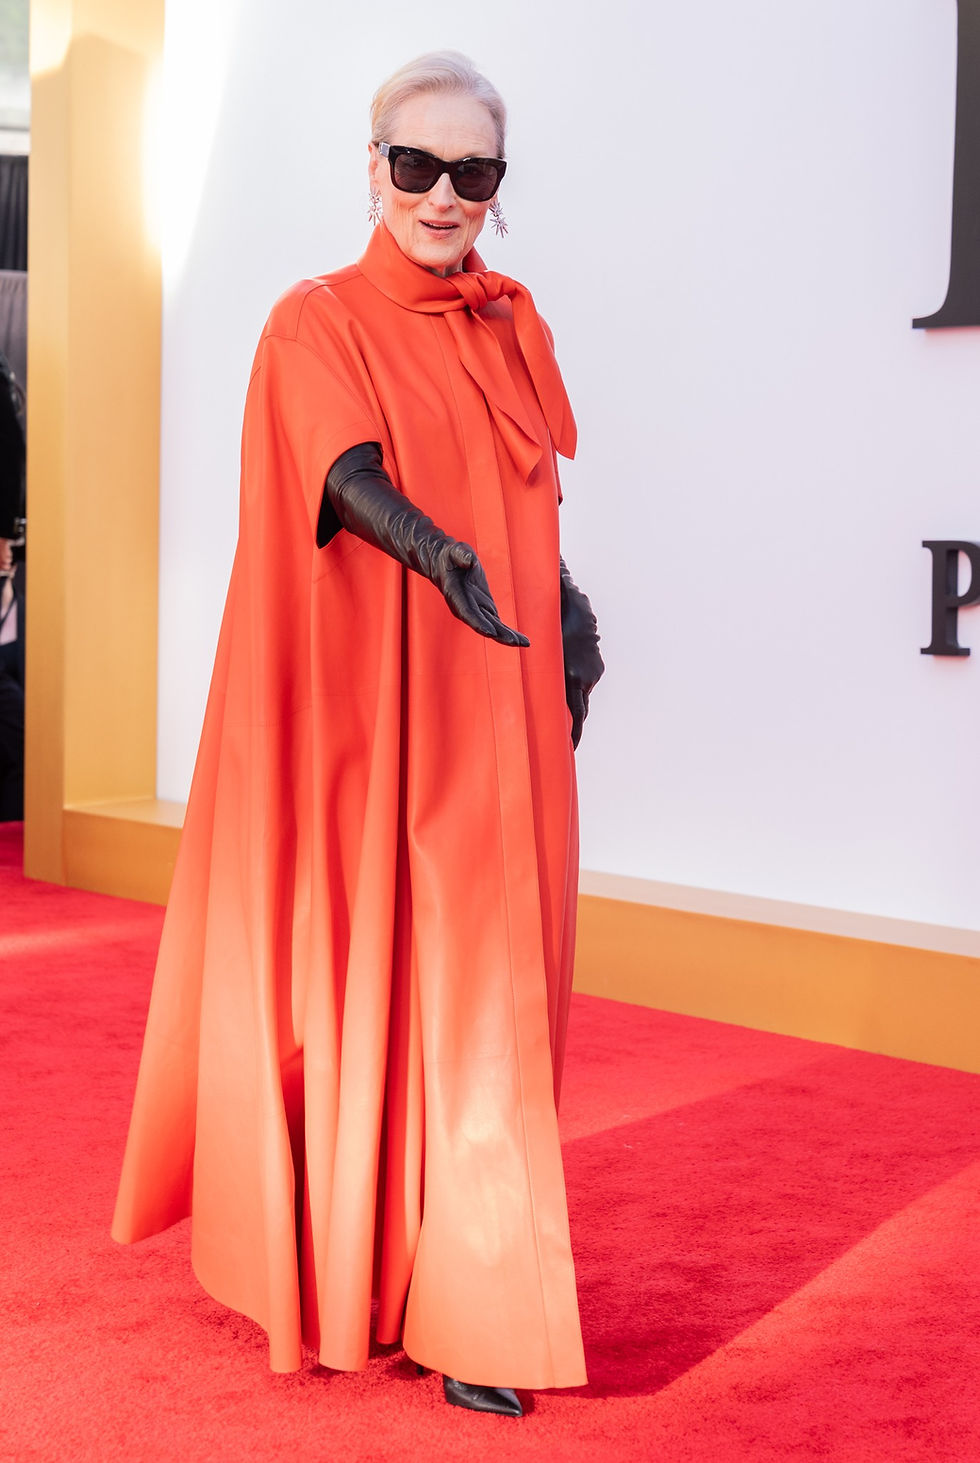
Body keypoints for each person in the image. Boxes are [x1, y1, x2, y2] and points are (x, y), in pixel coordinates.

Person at [112, 51, 604, 1418]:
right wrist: (430, 548)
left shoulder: (515, 324)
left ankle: (477, 1297)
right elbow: (339, 469)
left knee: (504, 1004)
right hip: (387, 733)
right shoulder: (312, 319)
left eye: (475, 174)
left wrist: (568, 614)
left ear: (499, 191)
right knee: (407, 988)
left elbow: (530, 502)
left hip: (508, 717)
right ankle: (403, 1284)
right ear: (372, 165)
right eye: (419, 166)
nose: (446, 197)